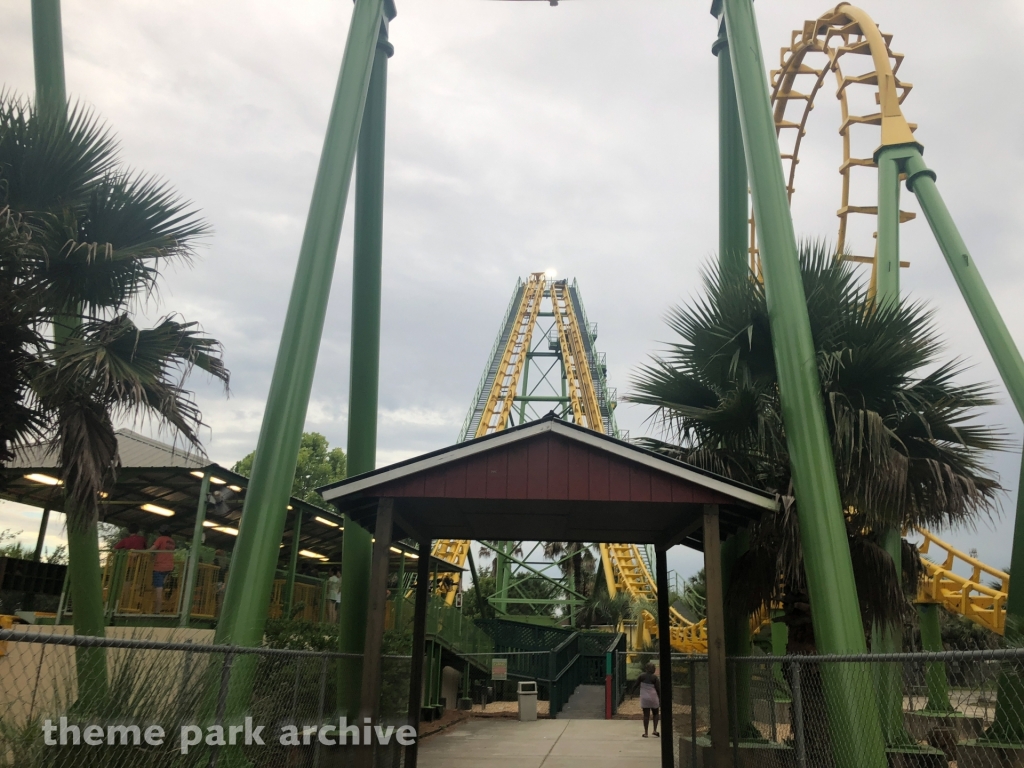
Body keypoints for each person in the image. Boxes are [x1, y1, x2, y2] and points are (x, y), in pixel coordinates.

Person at [150, 525, 176, 614]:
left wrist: (143, 552)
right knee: (160, 588)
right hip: (169, 567)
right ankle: (155, 609)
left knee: (158, 590)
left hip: (159, 567)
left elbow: (152, 549)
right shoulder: (172, 541)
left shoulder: (161, 539)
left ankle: (157, 612)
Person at [638, 662, 661, 738]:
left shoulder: (641, 676)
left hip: (645, 698)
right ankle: (654, 730)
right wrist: (660, 698)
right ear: (653, 670)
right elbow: (658, 689)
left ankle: (646, 733)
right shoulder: (654, 677)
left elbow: (635, 685)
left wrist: (631, 693)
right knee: (655, 713)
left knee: (646, 715)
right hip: (653, 697)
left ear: (646, 668)